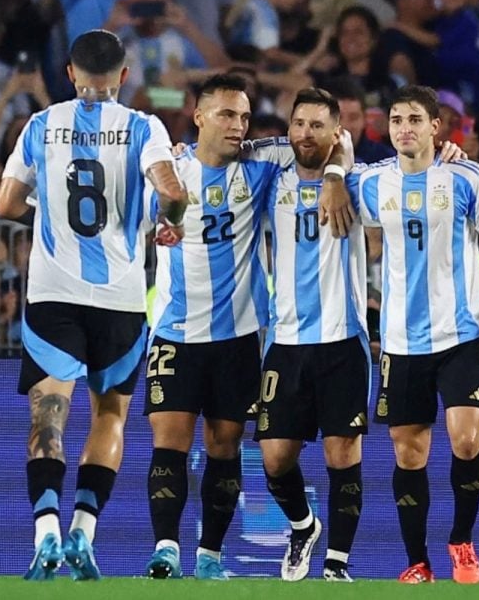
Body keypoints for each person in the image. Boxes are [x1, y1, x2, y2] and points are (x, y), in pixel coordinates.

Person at [0, 29, 188, 581]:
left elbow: (6, 202)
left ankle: (46, 533)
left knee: (48, 413)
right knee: (110, 415)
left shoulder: (42, 124)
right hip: (121, 299)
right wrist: (168, 223)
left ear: (71, 75)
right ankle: (83, 528)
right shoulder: (143, 127)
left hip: (54, 293)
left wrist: (48, 204)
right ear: (123, 77)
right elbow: (172, 191)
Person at [357, 85, 479, 585]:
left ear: (435, 126)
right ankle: (417, 562)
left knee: (466, 440)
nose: (404, 127)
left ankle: (462, 541)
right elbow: (335, 175)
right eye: (396, 119)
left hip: (462, 334)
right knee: (410, 453)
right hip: (401, 342)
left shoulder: (468, 177)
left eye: (414, 119)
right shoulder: (370, 183)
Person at [141, 74, 285, 581]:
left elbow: (332, 140)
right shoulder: (166, 173)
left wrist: (335, 171)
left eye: (244, 116)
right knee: (169, 443)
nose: (238, 126)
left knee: (225, 447)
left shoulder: (262, 165)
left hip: (238, 335)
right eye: (226, 114)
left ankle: (210, 556)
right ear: (198, 116)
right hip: (176, 332)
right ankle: (165, 550)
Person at [255, 87, 370, 584]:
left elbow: (411, 170)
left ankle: (337, 564)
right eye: (299, 123)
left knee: (342, 454)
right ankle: (304, 526)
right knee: (275, 457)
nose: (305, 133)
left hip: (344, 339)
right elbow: (226, 156)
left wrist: (340, 173)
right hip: (285, 340)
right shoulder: (270, 181)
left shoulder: (361, 183)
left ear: (335, 132)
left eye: (317, 125)